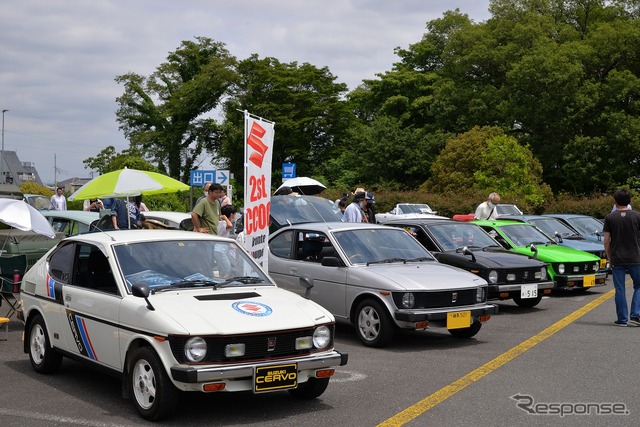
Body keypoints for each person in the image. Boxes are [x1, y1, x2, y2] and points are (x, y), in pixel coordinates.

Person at [603, 188, 640, 326]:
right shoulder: (637, 216)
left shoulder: (609, 218)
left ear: (615, 201)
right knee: (639, 286)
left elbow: (606, 240)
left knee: (620, 289)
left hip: (617, 258)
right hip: (636, 258)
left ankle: (622, 319)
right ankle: (635, 316)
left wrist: (609, 257)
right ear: (630, 200)